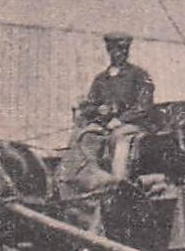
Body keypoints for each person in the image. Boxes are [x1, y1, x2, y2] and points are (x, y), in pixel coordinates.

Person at [59, 37, 157, 195]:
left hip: (134, 125)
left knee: (119, 138)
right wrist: (95, 109)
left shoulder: (139, 75)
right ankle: (85, 179)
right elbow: (92, 104)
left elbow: (144, 106)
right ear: (109, 51)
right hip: (105, 124)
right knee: (86, 135)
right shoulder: (101, 79)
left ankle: (119, 185)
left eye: (124, 50)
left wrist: (121, 119)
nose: (120, 54)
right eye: (116, 50)